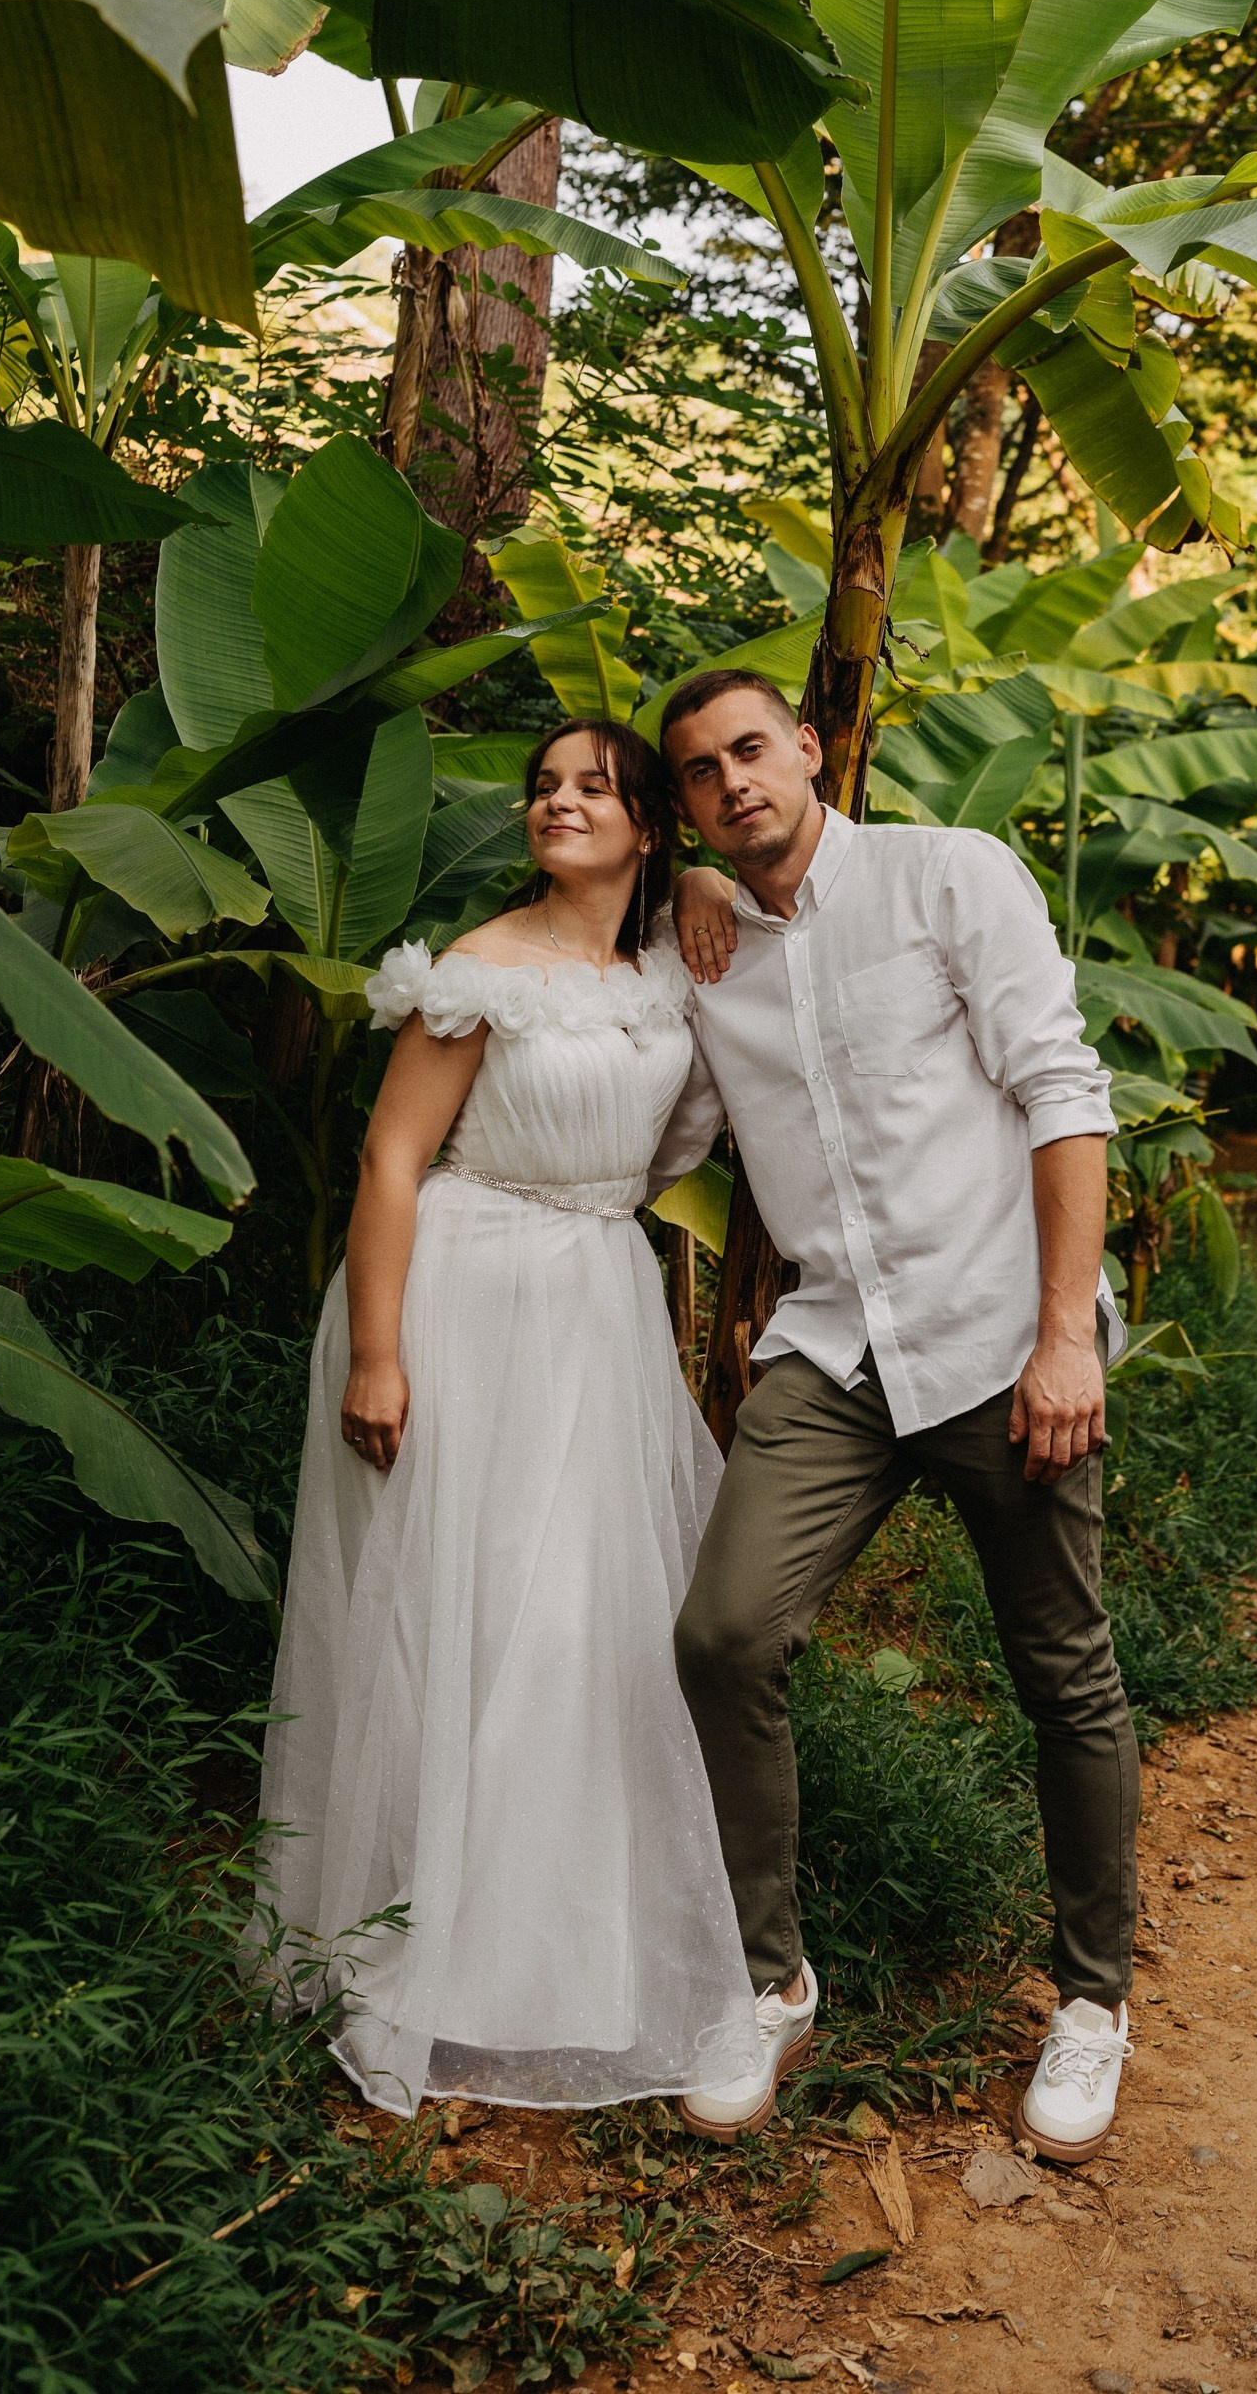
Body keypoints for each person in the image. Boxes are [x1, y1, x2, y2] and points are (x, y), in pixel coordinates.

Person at [648, 672, 1139, 2164]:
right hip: (835, 1350)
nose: (734, 782)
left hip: (1002, 1342)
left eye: (753, 747)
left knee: (1064, 1670)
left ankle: (1094, 2003)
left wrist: (1067, 1341)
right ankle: (773, 1979)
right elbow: (661, 1126)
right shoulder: (702, 954)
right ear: (684, 809)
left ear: (810, 747)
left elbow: (1062, 1092)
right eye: (699, 775)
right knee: (722, 1633)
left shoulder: (946, 874)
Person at [250, 719, 761, 2118]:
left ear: (650, 823)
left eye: (594, 787)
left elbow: (698, 1105)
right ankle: (422, 1956)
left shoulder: (672, 976)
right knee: (450, 1627)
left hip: (597, 1303)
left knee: (580, 1631)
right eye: (545, 787)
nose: (559, 803)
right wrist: (374, 1350)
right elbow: (392, 1155)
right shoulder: (477, 972)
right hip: (458, 1306)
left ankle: (560, 1962)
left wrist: (708, 888)